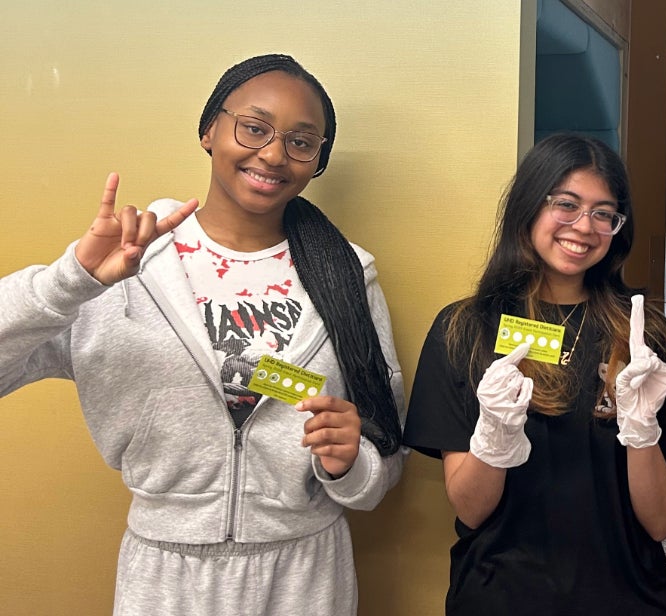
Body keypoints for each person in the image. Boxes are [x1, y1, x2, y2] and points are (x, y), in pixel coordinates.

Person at [0, 54, 406, 615]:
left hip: (304, 574)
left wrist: (351, 462)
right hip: (166, 575)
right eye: (254, 127)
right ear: (209, 129)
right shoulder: (129, 263)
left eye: (301, 141)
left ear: (317, 161)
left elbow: (385, 452)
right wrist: (69, 282)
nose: (272, 154)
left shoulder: (347, 276)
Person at [402, 134, 666, 615]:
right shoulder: (465, 329)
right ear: (527, 206)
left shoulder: (644, 339)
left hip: (628, 598)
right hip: (498, 596)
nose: (585, 227)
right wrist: (493, 436)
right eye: (567, 204)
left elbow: (662, 521)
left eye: (604, 213)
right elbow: (471, 508)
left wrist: (642, 433)